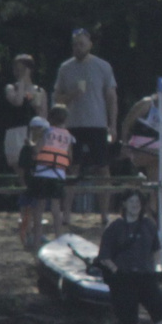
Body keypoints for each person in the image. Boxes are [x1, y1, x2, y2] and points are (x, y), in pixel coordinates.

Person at [53, 29, 119, 208]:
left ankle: (105, 214)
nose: (78, 47)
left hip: (97, 125)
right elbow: (57, 99)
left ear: (90, 44)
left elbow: (111, 97)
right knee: (71, 168)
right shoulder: (65, 68)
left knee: (103, 169)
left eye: (81, 44)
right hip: (73, 125)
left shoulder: (103, 66)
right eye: (75, 44)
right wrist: (72, 94)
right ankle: (66, 213)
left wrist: (112, 125)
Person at [95, 189, 162, 324]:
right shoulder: (115, 227)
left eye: (138, 202)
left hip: (146, 277)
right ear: (124, 204)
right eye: (131, 201)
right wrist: (117, 272)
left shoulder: (149, 225)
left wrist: (154, 269)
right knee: (128, 321)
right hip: (123, 279)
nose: (135, 205)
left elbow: (156, 249)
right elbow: (104, 256)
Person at [19, 109, 75, 249]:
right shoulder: (68, 136)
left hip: (42, 174)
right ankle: (58, 239)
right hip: (58, 175)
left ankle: (37, 243)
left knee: (39, 209)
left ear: (50, 119)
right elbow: (70, 156)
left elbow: (37, 150)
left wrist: (30, 145)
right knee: (56, 209)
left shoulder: (47, 132)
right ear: (65, 120)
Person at [119, 79, 162, 192]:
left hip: (157, 151)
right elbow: (127, 124)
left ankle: (156, 198)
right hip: (138, 148)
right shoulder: (146, 104)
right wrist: (125, 144)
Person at [3, 54, 48, 169]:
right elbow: (17, 102)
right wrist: (22, 83)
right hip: (15, 130)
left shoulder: (39, 90)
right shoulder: (11, 88)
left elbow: (43, 116)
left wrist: (34, 102)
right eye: (16, 69)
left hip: (34, 131)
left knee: (34, 164)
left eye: (21, 69)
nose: (18, 72)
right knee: (17, 164)